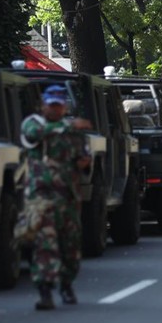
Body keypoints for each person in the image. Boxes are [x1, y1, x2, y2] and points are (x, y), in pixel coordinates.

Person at [21, 85, 92, 310]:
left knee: (70, 245)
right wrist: (69, 125)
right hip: (41, 196)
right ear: (43, 105)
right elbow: (33, 135)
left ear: (64, 107)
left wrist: (84, 162)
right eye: (51, 105)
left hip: (68, 197)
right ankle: (44, 290)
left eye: (58, 106)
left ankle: (67, 284)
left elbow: (84, 157)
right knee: (45, 244)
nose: (54, 109)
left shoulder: (74, 132)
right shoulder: (34, 123)